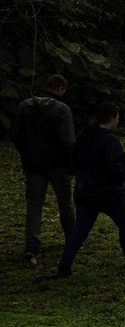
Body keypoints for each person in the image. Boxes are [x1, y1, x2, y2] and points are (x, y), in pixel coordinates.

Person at [57, 101, 125, 277]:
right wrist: (124, 175)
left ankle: (64, 267)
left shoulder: (84, 136)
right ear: (111, 119)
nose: (118, 122)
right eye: (117, 118)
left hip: (86, 191)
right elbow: (113, 166)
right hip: (109, 192)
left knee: (79, 231)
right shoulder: (110, 140)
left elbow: (75, 160)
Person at [11, 74, 76, 263]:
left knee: (34, 204)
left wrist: (26, 153)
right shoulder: (62, 109)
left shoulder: (24, 106)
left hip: (32, 164)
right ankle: (72, 237)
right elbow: (68, 141)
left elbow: (16, 136)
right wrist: (71, 166)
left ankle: (32, 244)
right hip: (57, 164)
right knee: (65, 202)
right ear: (60, 89)